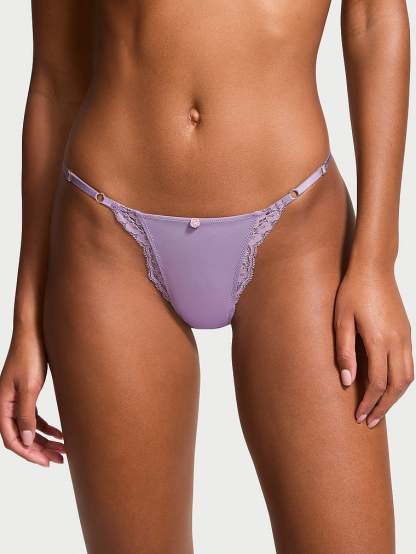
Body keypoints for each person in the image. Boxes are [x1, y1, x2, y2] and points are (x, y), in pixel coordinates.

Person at [0, 1, 413, 552]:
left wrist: (377, 263)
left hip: (296, 234)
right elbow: (56, 79)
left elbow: (373, 20)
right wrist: (27, 317)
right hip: (108, 237)